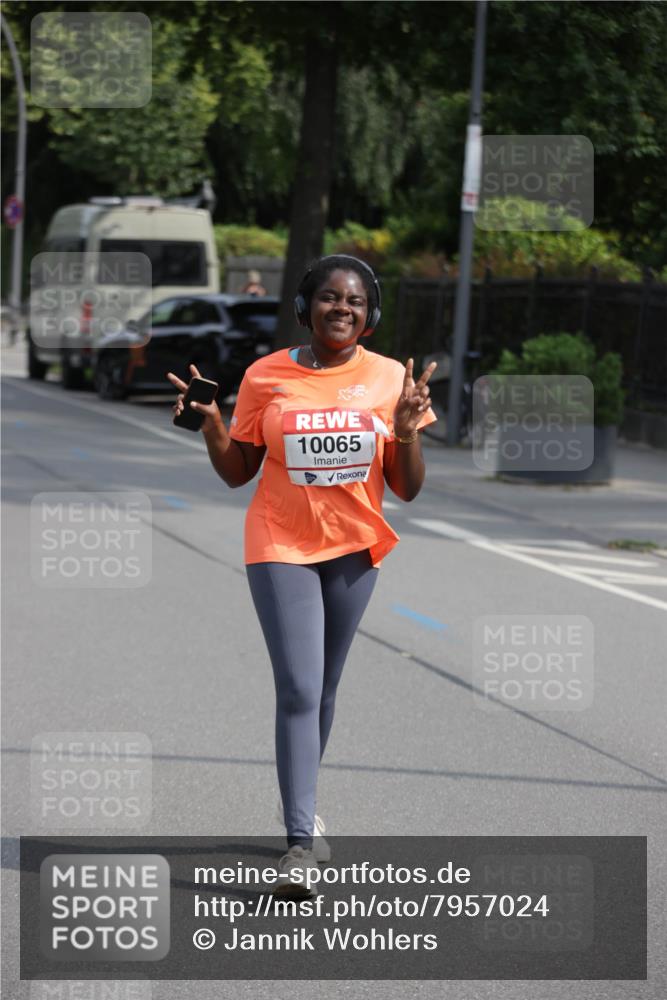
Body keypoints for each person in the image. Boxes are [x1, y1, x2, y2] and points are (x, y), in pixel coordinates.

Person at [167, 254, 436, 896]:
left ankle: (303, 802)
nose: (341, 309)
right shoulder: (266, 375)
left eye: (355, 302)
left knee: (326, 687)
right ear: (305, 308)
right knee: (298, 685)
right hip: (280, 541)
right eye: (329, 299)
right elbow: (239, 471)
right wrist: (211, 427)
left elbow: (407, 488)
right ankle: (298, 842)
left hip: (354, 546)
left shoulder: (392, 377)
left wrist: (406, 431)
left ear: (369, 316)